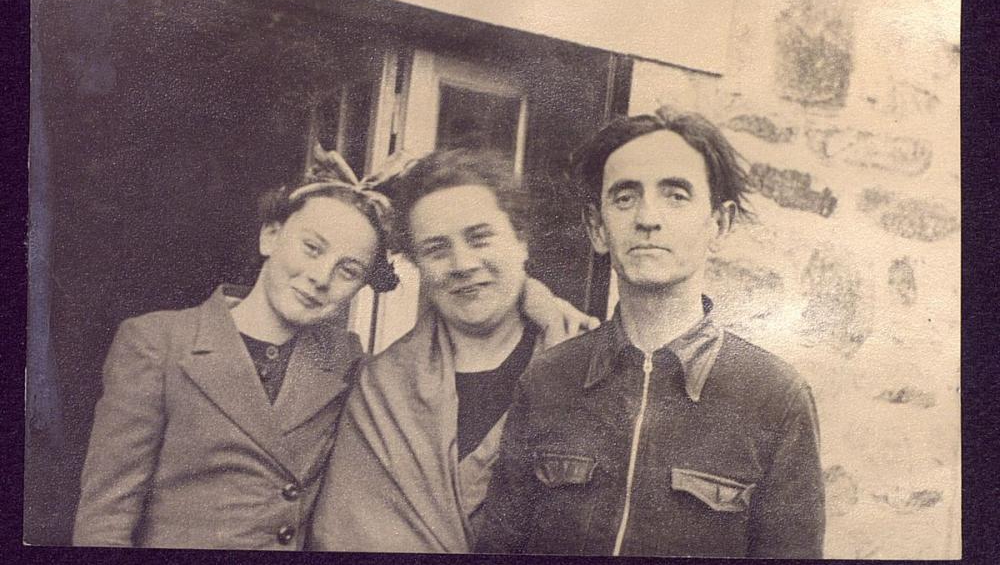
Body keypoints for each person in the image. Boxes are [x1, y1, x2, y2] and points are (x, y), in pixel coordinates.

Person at [475, 106, 825, 558]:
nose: (647, 218)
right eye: (625, 197)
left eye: (676, 196)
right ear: (597, 227)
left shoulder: (775, 397)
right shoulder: (547, 381)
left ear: (718, 224)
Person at [72, 150, 400, 549]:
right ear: (270, 236)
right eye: (312, 248)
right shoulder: (158, 342)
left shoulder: (343, 362)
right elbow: (105, 521)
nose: (320, 277)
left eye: (348, 270)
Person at [309, 149, 600, 553]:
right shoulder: (380, 388)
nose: (462, 263)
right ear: (417, 265)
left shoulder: (589, 366)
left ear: (522, 241)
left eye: (480, 238)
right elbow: (347, 534)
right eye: (436, 249)